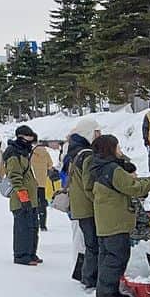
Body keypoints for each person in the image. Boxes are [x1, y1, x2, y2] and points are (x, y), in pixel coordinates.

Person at [87, 133, 150, 297]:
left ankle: (104, 288)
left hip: (105, 220)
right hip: (116, 221)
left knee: (106, 255)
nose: (120, 149)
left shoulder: (97, 167)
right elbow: (133, 187)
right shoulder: (112, 169)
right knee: (117, 256)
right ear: (110, 149)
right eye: (117, 146)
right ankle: (107, 291)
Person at [64, 120, 98, 287]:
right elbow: (89, 184)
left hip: (76, 203)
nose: (98, 135)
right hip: (86, 205)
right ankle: (88, 277)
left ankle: (82, 274)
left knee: (81, 240)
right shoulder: (86, 154)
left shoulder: (73, 150)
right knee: (90, 243)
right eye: (96, 132)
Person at [3, 125, 42, 265]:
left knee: (33, 227)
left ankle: (31, 253)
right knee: (23, 229)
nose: (31, 139)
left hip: (31, 198)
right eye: (28, 136)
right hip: (21, 200)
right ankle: (21, 255)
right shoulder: (14, 153)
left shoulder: (23, 152)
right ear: (21, 136)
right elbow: (15, 177)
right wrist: (24, 197)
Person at [30, 139, 55, 231]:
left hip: (33, 182)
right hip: (43, 182)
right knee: (42, 203)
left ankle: (34, 222)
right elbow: (50, 165)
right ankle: (43, 224)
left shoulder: (31, 153)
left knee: (34, 202)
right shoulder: (46, 153)